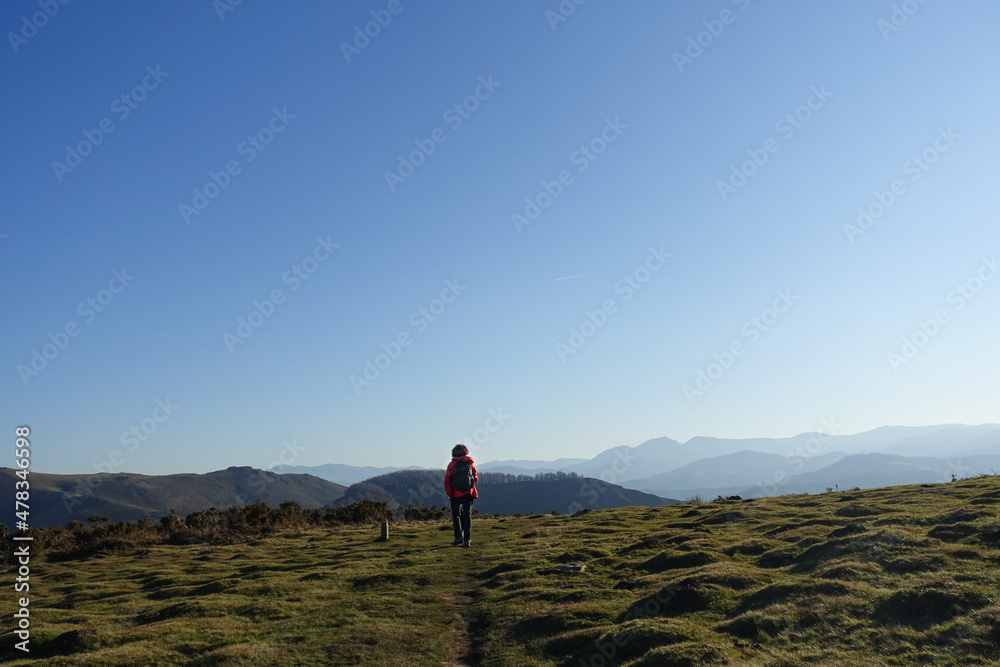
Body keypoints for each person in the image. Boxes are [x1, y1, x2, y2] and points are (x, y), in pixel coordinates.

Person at [444, 444, 478, 547]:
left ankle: (458, 537)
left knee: (456, 515)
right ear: (465, 452)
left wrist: (449, 493)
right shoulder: (470, 463)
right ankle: (467, 539)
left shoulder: (452, 465)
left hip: (455, 493)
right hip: (468, 493)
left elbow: (447, 481)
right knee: (467, 515)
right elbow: (475, 478)